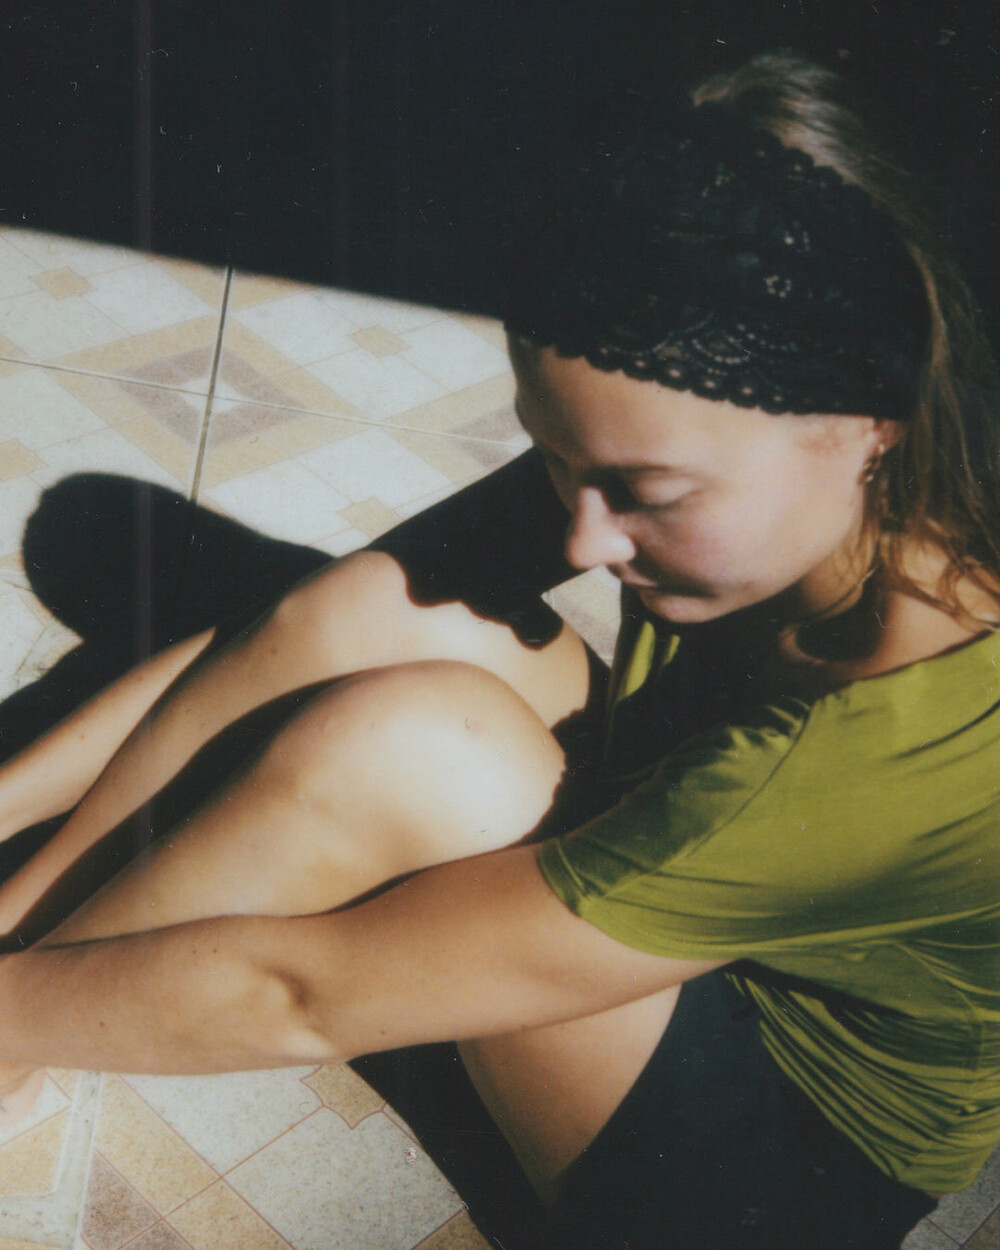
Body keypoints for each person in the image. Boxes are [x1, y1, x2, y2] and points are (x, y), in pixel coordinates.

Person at [0, 50, 998, 1249]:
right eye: (561, 460)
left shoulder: (890, 751)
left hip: (767, 1168)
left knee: (415, 746)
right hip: (691, 877)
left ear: (868, 421)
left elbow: (304, 992)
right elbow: (321, 622)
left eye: (646, 492)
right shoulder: (729, 439)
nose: (587, 535)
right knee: (395, 603)